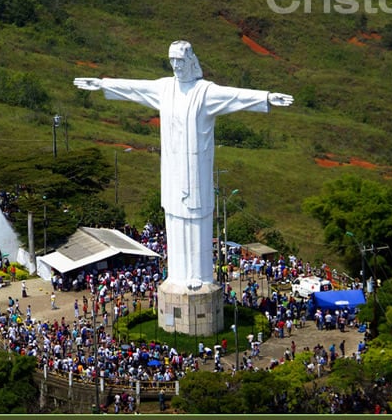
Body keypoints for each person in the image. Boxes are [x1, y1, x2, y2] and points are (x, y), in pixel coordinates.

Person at [75, 41, 293, 289]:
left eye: (180, 61)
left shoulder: (204, 92)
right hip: (172, 169)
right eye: (172, 61)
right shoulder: (165, 88)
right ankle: (177, 276)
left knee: (197, 219)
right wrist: (103, 84)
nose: (176, 66)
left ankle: (199, 276)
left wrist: (266, 98)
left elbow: (235, 95)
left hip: (196, 170)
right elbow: (134, 88)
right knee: (174, 217)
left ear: (191, 61)